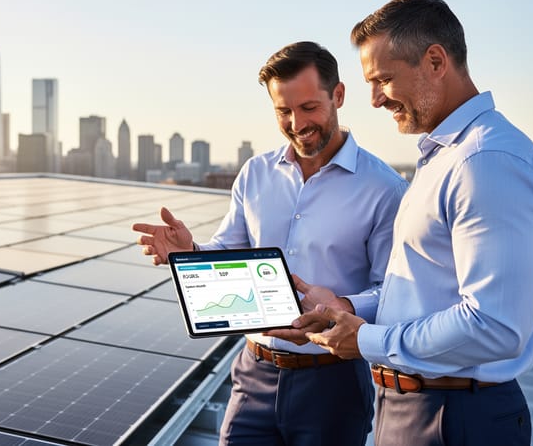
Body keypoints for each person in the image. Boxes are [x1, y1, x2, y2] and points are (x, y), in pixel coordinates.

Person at [273, 0, 533, 446]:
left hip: (453, 418)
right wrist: (348, 309)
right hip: (421, 409)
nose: (372, 100)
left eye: (383, 79)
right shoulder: (445, 158)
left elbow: (495, 326)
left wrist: (367, 341)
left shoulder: (486, 162)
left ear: (434, 61)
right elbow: (428, 291)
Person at [133, 41, 407, 446]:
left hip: (333, 384)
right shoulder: (255, 173)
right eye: (284, 111)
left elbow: (393, 293)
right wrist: (188, 254)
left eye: (309, 108)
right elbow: (230, 253)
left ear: (339, 95)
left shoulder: (384, 189)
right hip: (253, 374)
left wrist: (340, 309)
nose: (297, 123)